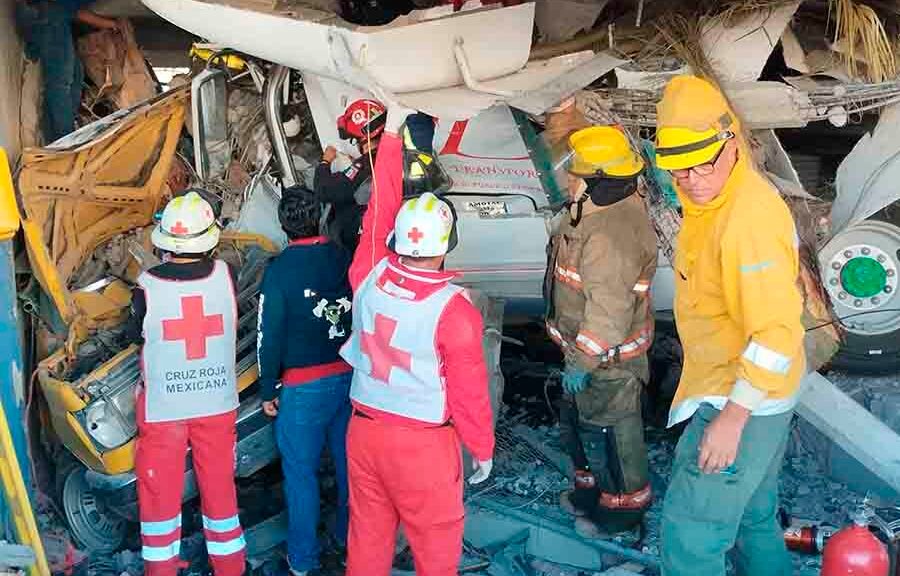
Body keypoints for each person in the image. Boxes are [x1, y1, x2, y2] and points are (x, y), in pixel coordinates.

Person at [653, 76, 805, 576]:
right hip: (748, 386)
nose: (692, 178)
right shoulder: (711, 200)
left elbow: (776, 332)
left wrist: (732, 420)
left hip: (741, 396)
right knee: (751, 518)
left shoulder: (747, 221)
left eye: (702, 163)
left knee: (690, 538)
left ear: (731, 142)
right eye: (678, 169)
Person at [339, 103, 495, 576]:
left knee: (366, 543)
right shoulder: (455, 313)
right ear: (447, 244)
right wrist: (482, 449)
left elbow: (382, 202)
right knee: (436, 551)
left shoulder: (367, 274)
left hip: (363, 433)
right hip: (423, 447)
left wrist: (389, 135)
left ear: (397, 241)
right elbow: (469, 396)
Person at [544, 104, 658, 537]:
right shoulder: (594, 213)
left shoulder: (610, 237)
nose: (568, 178)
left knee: (612, 435)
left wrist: (582, 361)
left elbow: (609, 315)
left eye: (576, 174)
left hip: (607, 362)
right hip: (587, 355)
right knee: (581, 426)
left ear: (596, 184)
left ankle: (622, 511)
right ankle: (590, 493)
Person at [129, 190, 245, 576]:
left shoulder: (145, 285)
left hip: (164, 409)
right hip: (216, 404)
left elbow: (135, 336)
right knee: (220, 492)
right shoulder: (227, 274)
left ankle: (161, 569)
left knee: (159, 496)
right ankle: (230, 566)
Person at [256, 186, 354, 576]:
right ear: (322, 215)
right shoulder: (342, 257)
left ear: (283, 225)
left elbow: (269, 334)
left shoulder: (279, 270)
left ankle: (302, 559)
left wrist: (267, 389)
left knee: (300, 475)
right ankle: (353, 546)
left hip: (302, 389)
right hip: (350, 380)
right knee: (350, 470)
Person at [16, 0, 119, 142]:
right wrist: (109, 24)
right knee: (60, 83)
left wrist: (108, 24)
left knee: (76, 75)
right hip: (45, 15)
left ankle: (53, 138)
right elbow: (76, 12)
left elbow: (74, 10)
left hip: (51, 14)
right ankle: (66, 142)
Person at [315, 99, 386, 253]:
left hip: (364, 238)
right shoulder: (393, 153)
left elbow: (324, 190)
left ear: (363, 139)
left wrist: (325, 162)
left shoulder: (366, 166)